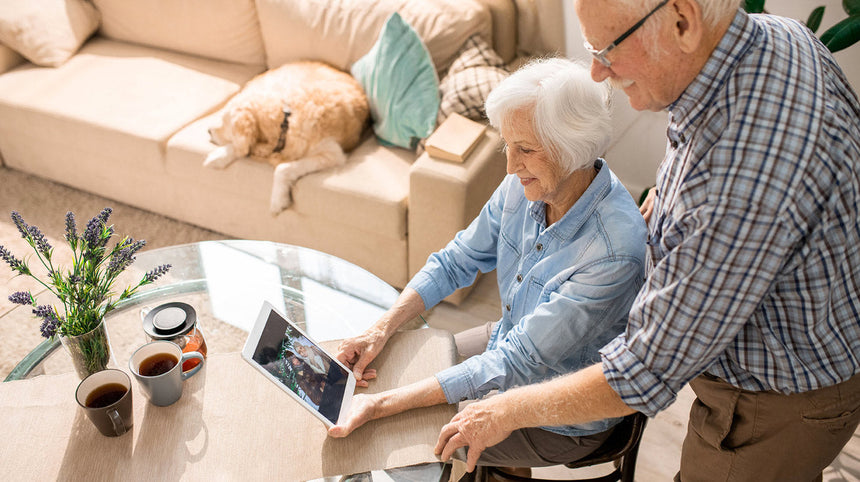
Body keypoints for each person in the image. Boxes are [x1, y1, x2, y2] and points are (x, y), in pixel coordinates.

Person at [434, 0, 860, 480]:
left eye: (609, 48)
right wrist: (676, 200)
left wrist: (501, 413)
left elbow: (641, 372)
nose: (596, 72)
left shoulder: (739, 182)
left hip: (775, 399)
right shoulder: (770, 39)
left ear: (681, 21)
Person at [327, 57, 648, 470]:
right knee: (390, 372)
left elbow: (515, 362)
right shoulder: (524, 183)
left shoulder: (613, 251)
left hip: (563, 416)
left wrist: (382, 407)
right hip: (508, 341)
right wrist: (382, 327)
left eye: (526, 150)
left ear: (574, 149)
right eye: (507, 146)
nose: (511, 166)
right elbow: (456, 260)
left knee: (393, 433)